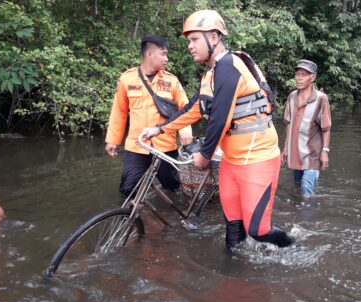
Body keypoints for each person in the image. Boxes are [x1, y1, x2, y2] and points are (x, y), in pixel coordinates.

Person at [142, 10, 294, 249]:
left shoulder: (230, 66)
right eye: (188, 41)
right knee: (233, 226)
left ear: (213, 37)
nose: (190, 46)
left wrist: (204, 154)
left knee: (258, 230)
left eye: (194, 39)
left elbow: (220, 118)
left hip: (258, 159)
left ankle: (293, 246)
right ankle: (232, 275)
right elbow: (192, 110)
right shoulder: (210, 76)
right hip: (231, 163)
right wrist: (159, 129)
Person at [105, 34, 192, 198]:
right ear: (149, 55)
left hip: (165, 146)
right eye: (163, 54)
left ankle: (173, 218)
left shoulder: (171, 81)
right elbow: (119, 111)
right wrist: (113, 140)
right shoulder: (127, 79)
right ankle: (135, 220)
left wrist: (185, 131)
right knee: (128, 188)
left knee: (173, 187)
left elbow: (185, 109)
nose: (166, 59)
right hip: (137, 145)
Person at [281, 59, 331, 198]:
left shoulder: (321, 99)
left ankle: (308, 218)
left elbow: (326, 128)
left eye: (304, 75)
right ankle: (299, 214)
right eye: (298, 74)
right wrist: (285, 148)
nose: (299, 78)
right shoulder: (291, 97)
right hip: (295, 152)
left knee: (306, 192)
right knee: (297, 188)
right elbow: (288, 123)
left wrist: (325, 152)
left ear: (313, 77)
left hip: (312, 155)